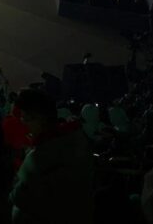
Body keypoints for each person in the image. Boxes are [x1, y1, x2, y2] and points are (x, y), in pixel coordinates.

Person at [9, 87, 93, 224]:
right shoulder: (75, 138)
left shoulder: (42, 155)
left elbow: (18, 196)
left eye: (25, 119)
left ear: (39, 118)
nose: (23, 125)